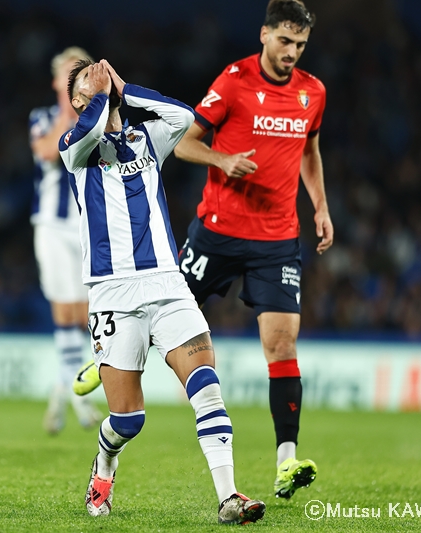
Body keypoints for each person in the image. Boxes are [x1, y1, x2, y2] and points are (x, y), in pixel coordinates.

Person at [60, 59, 265, 524]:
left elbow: (184, 117)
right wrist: (97, 98)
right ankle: (105, 463)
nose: (98, 79)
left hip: (168, 285)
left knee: (207, 388)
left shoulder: (143, 139)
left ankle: (229, 497)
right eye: (85, 82)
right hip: (113, 293)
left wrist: (123, 89)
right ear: (76, 100)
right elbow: (87, 132)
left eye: (99, 73)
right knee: (129, 420)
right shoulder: (76, 149)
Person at [172, 0, 331, 499]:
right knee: (167, 310)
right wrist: (222, 159)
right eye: (285, 41)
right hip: (217, 230)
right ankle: (106, 356)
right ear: (264, 35)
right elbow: (184, 143)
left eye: (300, 45)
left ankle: (286, 460)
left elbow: (309, 150)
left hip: (277, 239)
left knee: (282, 345)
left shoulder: (313, 92)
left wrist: (321, 207)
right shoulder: (234, 81)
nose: (291, 52)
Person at [29, 47, 101, 434]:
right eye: (68, 75)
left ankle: (62, 393)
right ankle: (79, 398)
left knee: (86, 314)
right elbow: (47, 150)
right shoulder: (42, 118)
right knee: (65, 312)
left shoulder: (97, 118)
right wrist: (68, 110)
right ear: (57, 81)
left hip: (88, 224)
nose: (74, 80)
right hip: (53, 227)